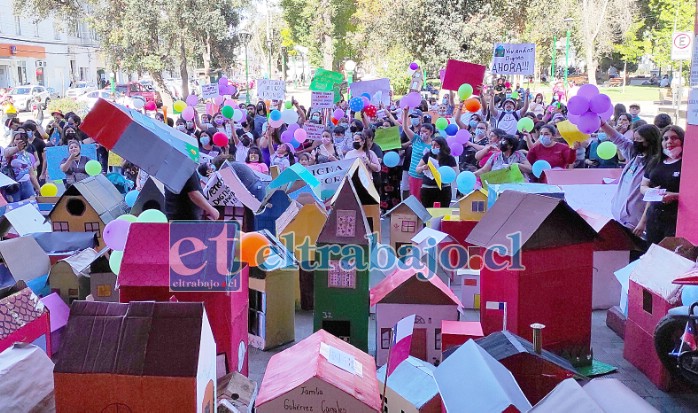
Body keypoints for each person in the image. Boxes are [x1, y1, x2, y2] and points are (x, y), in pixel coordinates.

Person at [599, 122, 661, 233]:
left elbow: (652, 197)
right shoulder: (635, 155)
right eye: (634, 139)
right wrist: (602, 124)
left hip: (635, 224)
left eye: (639, 139)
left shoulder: (656, 165)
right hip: (620, 217)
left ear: (649, 141)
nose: (635, 142)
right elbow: (618, 138)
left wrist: (643, 222)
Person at [638, 125, 683, 244]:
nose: (669, 142)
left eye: (674, 138)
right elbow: (643, 186)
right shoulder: (655, 161)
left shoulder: (687, 164)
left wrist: (674, 195)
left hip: (676, 219)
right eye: (665, 138)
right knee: (651, 252)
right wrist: (652, 192)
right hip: (654, 216)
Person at [414, 137, 458, 208]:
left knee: (442, 211)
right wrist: (423, 167)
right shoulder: (428, 155)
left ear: (442, 146)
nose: (433, 147)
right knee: (427, 211)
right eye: (432, 145)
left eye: (436, 145)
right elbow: (417, 169)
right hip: (428, 188)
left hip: (443, 189)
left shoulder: (449, 158)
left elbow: (453, 173)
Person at [402, 108, 434, 201]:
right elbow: (405, 128)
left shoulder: (433, 144)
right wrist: (405, 113)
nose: (423, 134)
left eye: (425, 132)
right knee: (414, 198)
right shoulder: (416, 139)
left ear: (431, 132)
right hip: (414, 175)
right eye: (421, 132)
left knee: (425, 199)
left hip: (427, 176)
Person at [5, 129, 41, 201]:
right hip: (13, 186)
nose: (20, 141)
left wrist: (38, 188)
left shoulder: (27, 155)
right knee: (14, 208)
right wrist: (17, 148)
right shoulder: (8, 151)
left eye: (22, 139)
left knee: (32, 205)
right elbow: (8, 152)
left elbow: (32, 174)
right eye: (17, 139)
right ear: (13, 141)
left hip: (27, 184)